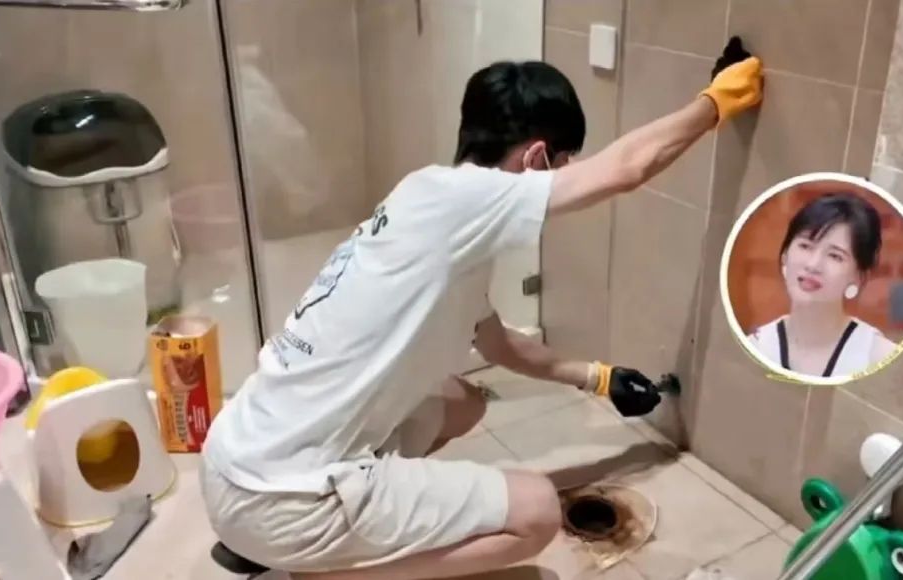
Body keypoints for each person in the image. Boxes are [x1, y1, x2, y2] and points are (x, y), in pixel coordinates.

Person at [200, 51, 764, 579]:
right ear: (536, 158)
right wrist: (714, 102)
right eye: (564, 163)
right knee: (536, 513)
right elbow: (627, 168)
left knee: (462, 401)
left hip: (233, 462)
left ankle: (313, 540)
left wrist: (601, 378)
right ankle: (325, 568)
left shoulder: (428, 202)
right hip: (283, 498)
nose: (567, 175)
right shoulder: (473, 199)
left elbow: (501, 347)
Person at [748, 192, 900, 378]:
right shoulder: (757, 346)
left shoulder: (879, 357)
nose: (813, 265)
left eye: (835, 256)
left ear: (858, 277)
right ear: (785, 256)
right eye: (805, 246)